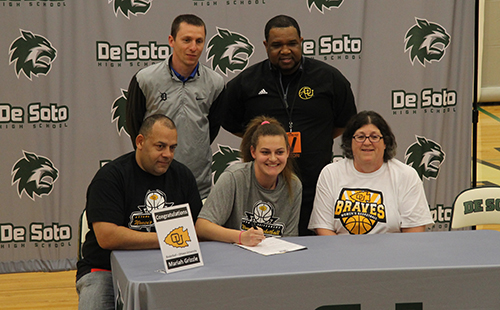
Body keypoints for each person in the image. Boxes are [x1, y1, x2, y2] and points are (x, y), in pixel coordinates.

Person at [221, 15, 357, 236]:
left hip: (316, 187)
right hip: (265, 192)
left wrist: (318, 137)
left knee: (315, 255)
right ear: (265, 46)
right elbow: (231, 123)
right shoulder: (246, 82)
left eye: (292, 44)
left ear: (301, 41)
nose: (285, 51)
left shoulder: (329, 78)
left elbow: (344, 124)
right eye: (277, 45)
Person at [76, 114, 202, 309]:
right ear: (140, 142)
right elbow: (107, 237)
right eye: (160, 146)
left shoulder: (183, 176)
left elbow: (198, 227)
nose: (168, 154)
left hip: (169, 266)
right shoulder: (111, 177)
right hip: (105, 269)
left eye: (172, 147)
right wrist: (166, 239)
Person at [126, 14, 224, 199]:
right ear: (171, 40)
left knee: (196, 228)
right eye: (186, 40)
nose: (193, 47)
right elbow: (135, 127)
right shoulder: (145, 79)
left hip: (197, 183)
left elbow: (211, 129)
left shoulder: (215, 83)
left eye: (199, 41)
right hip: (153, 178)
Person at [308, 111, 434, 235]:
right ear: (350, 142)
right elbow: (323, 228)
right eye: (360, 137)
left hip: (392, 253)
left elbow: (414, 232)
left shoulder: (406, 175)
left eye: (374, 137)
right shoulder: (330, 173)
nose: (367, 142)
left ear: (385, 143)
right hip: (342, 252)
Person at [196, 116, 302, 246]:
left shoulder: (294, 185)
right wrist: (240, 237)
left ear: (288, 152)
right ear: (253, 152)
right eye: (265, 152)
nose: (273, 158)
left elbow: (290, 239)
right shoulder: (233, 177)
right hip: (235, 256)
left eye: (279, 152)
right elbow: (202, 227)